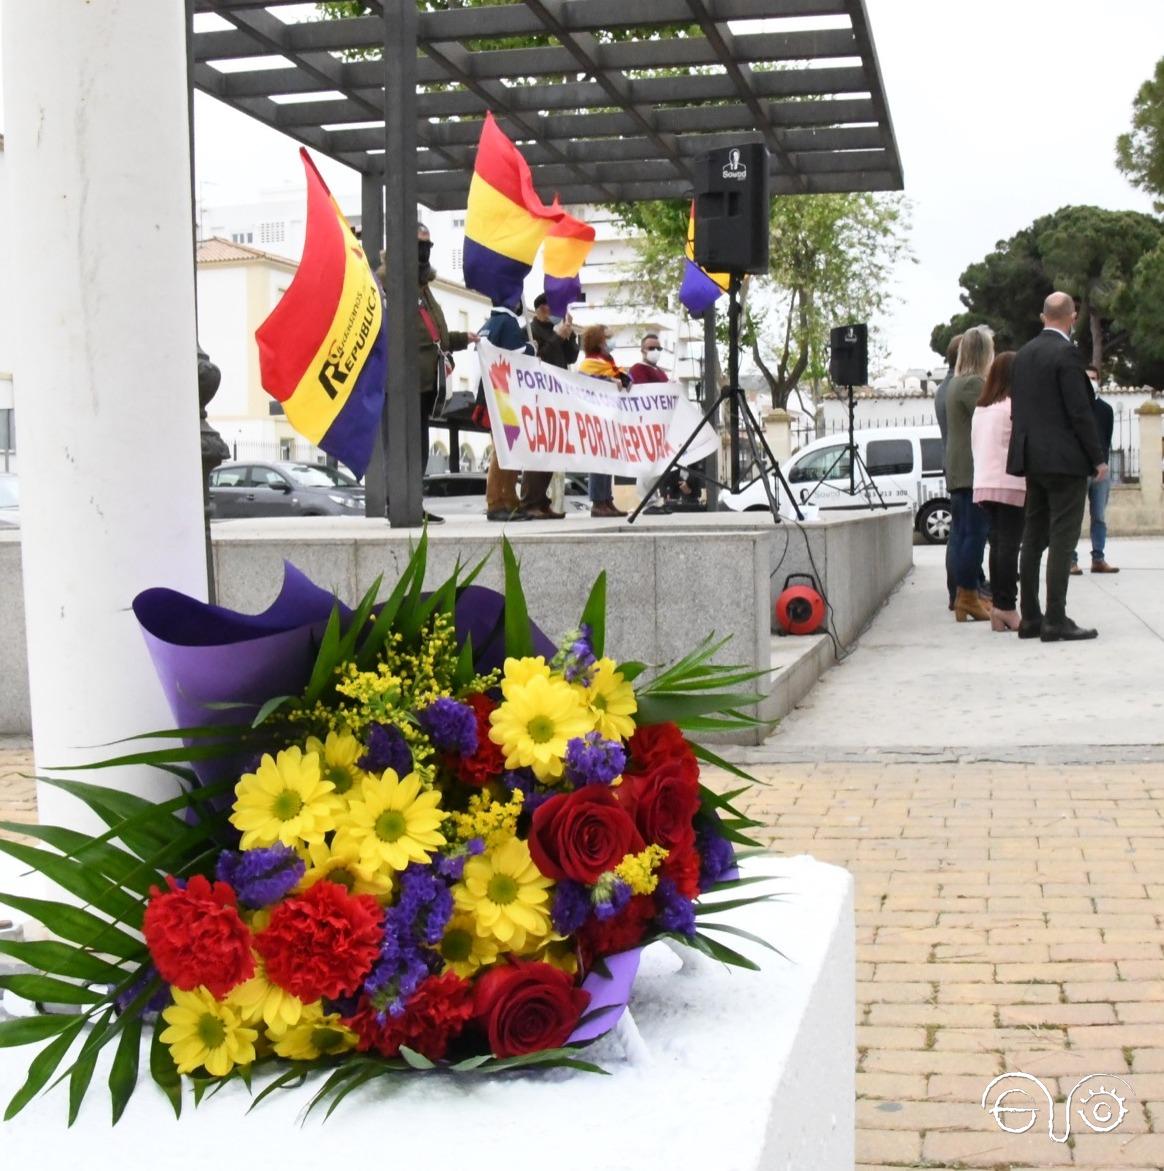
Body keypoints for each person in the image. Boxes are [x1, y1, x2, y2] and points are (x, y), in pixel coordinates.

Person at [1008, 292, 1107, 642]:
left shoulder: (1023, 355)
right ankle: (1056, 619)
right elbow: (1079, 411)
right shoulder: (1066, 354)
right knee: (1063, 540)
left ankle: (1030, 617)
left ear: (1042, 316)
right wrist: (1097, 458)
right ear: (1073, 316)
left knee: (1032, 538)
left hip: (1033, 460)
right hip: (1065, 462)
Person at [413, 223, 477, 523]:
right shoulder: (394, 284)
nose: (424, 251)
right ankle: (402, 503)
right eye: (419, 245)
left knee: (421, 443)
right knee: (408, 443)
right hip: (407, 381)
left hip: (428, 382)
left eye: (428, 245)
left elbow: (436, 336)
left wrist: (465, 339)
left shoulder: (424, 287)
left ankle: (414, 503)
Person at [971, 351, 1025, 632]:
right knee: (1010, 546)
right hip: (1010, 483)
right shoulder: (1013, 407)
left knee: (998, 545)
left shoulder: (982, 409)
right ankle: (1006, 606)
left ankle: (998, 608)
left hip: (984, 484)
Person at [945, 326, 994, 622]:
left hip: (961, 469)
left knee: (965, 534)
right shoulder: (973, 384)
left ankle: (967, 596)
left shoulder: (956, 382)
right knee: (973, 535)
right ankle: (967, 595)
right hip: (971, 471)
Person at [521, 293, 580, 520]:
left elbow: (572, 357)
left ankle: (542, 501)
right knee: (538, 450)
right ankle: (530, 500)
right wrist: (555, 337)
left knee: (553, 451)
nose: (549, 312)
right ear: (537, 310)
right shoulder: (529, 330)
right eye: (545, 308)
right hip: (538, 397)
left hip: (558, 396)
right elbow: (538, 358)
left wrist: (569, 334)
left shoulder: (558, 329)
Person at [477, 296, 535, 522]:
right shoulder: (508, 323)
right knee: (504, 450)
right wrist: (530, 348)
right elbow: (516, 353)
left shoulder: (489, 324)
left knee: (508, 449)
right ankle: (497, 501)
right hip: (504, 396)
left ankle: (509, 499)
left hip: (494, 393)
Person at [1069, 365, 1119, 576]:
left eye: (1094, 378)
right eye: (1087, 378)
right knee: (1073, 517)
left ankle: (1098, 558)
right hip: (1078, 471)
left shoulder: (1106, 410)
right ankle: (1070, 560)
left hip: (1101, 473)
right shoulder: (1073, 408)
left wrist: (1103, 465)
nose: (1091, 381)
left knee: (1099, 516)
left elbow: (1105, 440)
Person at [578, 324, 629, 519]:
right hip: (596, 417)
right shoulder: (589, 364)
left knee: (608, 461)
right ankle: (598, 502)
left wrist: (624, 381)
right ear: (599, 341)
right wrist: (610, 383)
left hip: (610, 418)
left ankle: (607, 499)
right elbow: (588, 383)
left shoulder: (608, 362)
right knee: (599, 462)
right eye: (607, 337)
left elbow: (622, 378)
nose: (611, 341)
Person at [935, 333, 963, 610]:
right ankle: (960, 590)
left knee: (960, 531)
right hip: (962, 468)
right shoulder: (957, 387)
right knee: (963, 532)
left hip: (952, 464)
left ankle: (960, 589)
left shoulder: (944, 386)